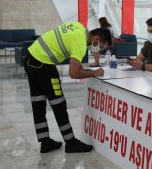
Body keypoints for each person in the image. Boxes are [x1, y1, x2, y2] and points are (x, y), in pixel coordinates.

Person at [24, 22, 112, 153]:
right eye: (101, 47)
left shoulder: (78, 28)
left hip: (30, 58)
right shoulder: (81, 43)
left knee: (38, 102)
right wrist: (94, 73)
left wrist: (82, 69)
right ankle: (71, 143)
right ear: (96, 39)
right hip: (44, 65)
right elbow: (73, 73)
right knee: (58, 103)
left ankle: (45, 141)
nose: (98, 50)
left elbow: (72, 58)